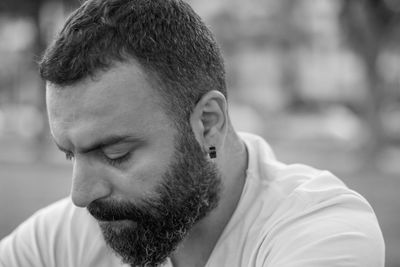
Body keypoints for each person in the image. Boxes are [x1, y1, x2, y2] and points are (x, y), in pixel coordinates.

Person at [0, 0, 385, 266]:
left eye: (116, 153)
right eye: (71, 154)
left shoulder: (322, 230)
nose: (81, 195)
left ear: (208, 123)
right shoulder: (70, 234)